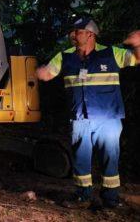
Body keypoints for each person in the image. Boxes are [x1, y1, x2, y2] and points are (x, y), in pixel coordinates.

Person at [37, 18, 140, 208]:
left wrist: (138, 44)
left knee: (110, 157)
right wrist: (41, 73)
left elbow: (137, 58)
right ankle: (82, 196)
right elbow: (48, 73)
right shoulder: (64, 56)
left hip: (109, 118)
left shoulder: (111, 54)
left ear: (90, 34)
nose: (72, 35)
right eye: (72, 32)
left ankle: (111, 198)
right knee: (80, 158)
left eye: (77, 31)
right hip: (80, 117)